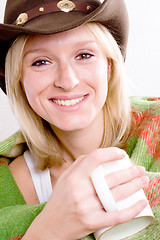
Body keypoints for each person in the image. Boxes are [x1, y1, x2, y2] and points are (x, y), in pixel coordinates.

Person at [0, 0, 158, 239]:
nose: (67, 81)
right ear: (19, 78)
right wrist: (47, 230)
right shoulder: (7, 184)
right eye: (41, 62)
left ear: (108, 65)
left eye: (84, 55)